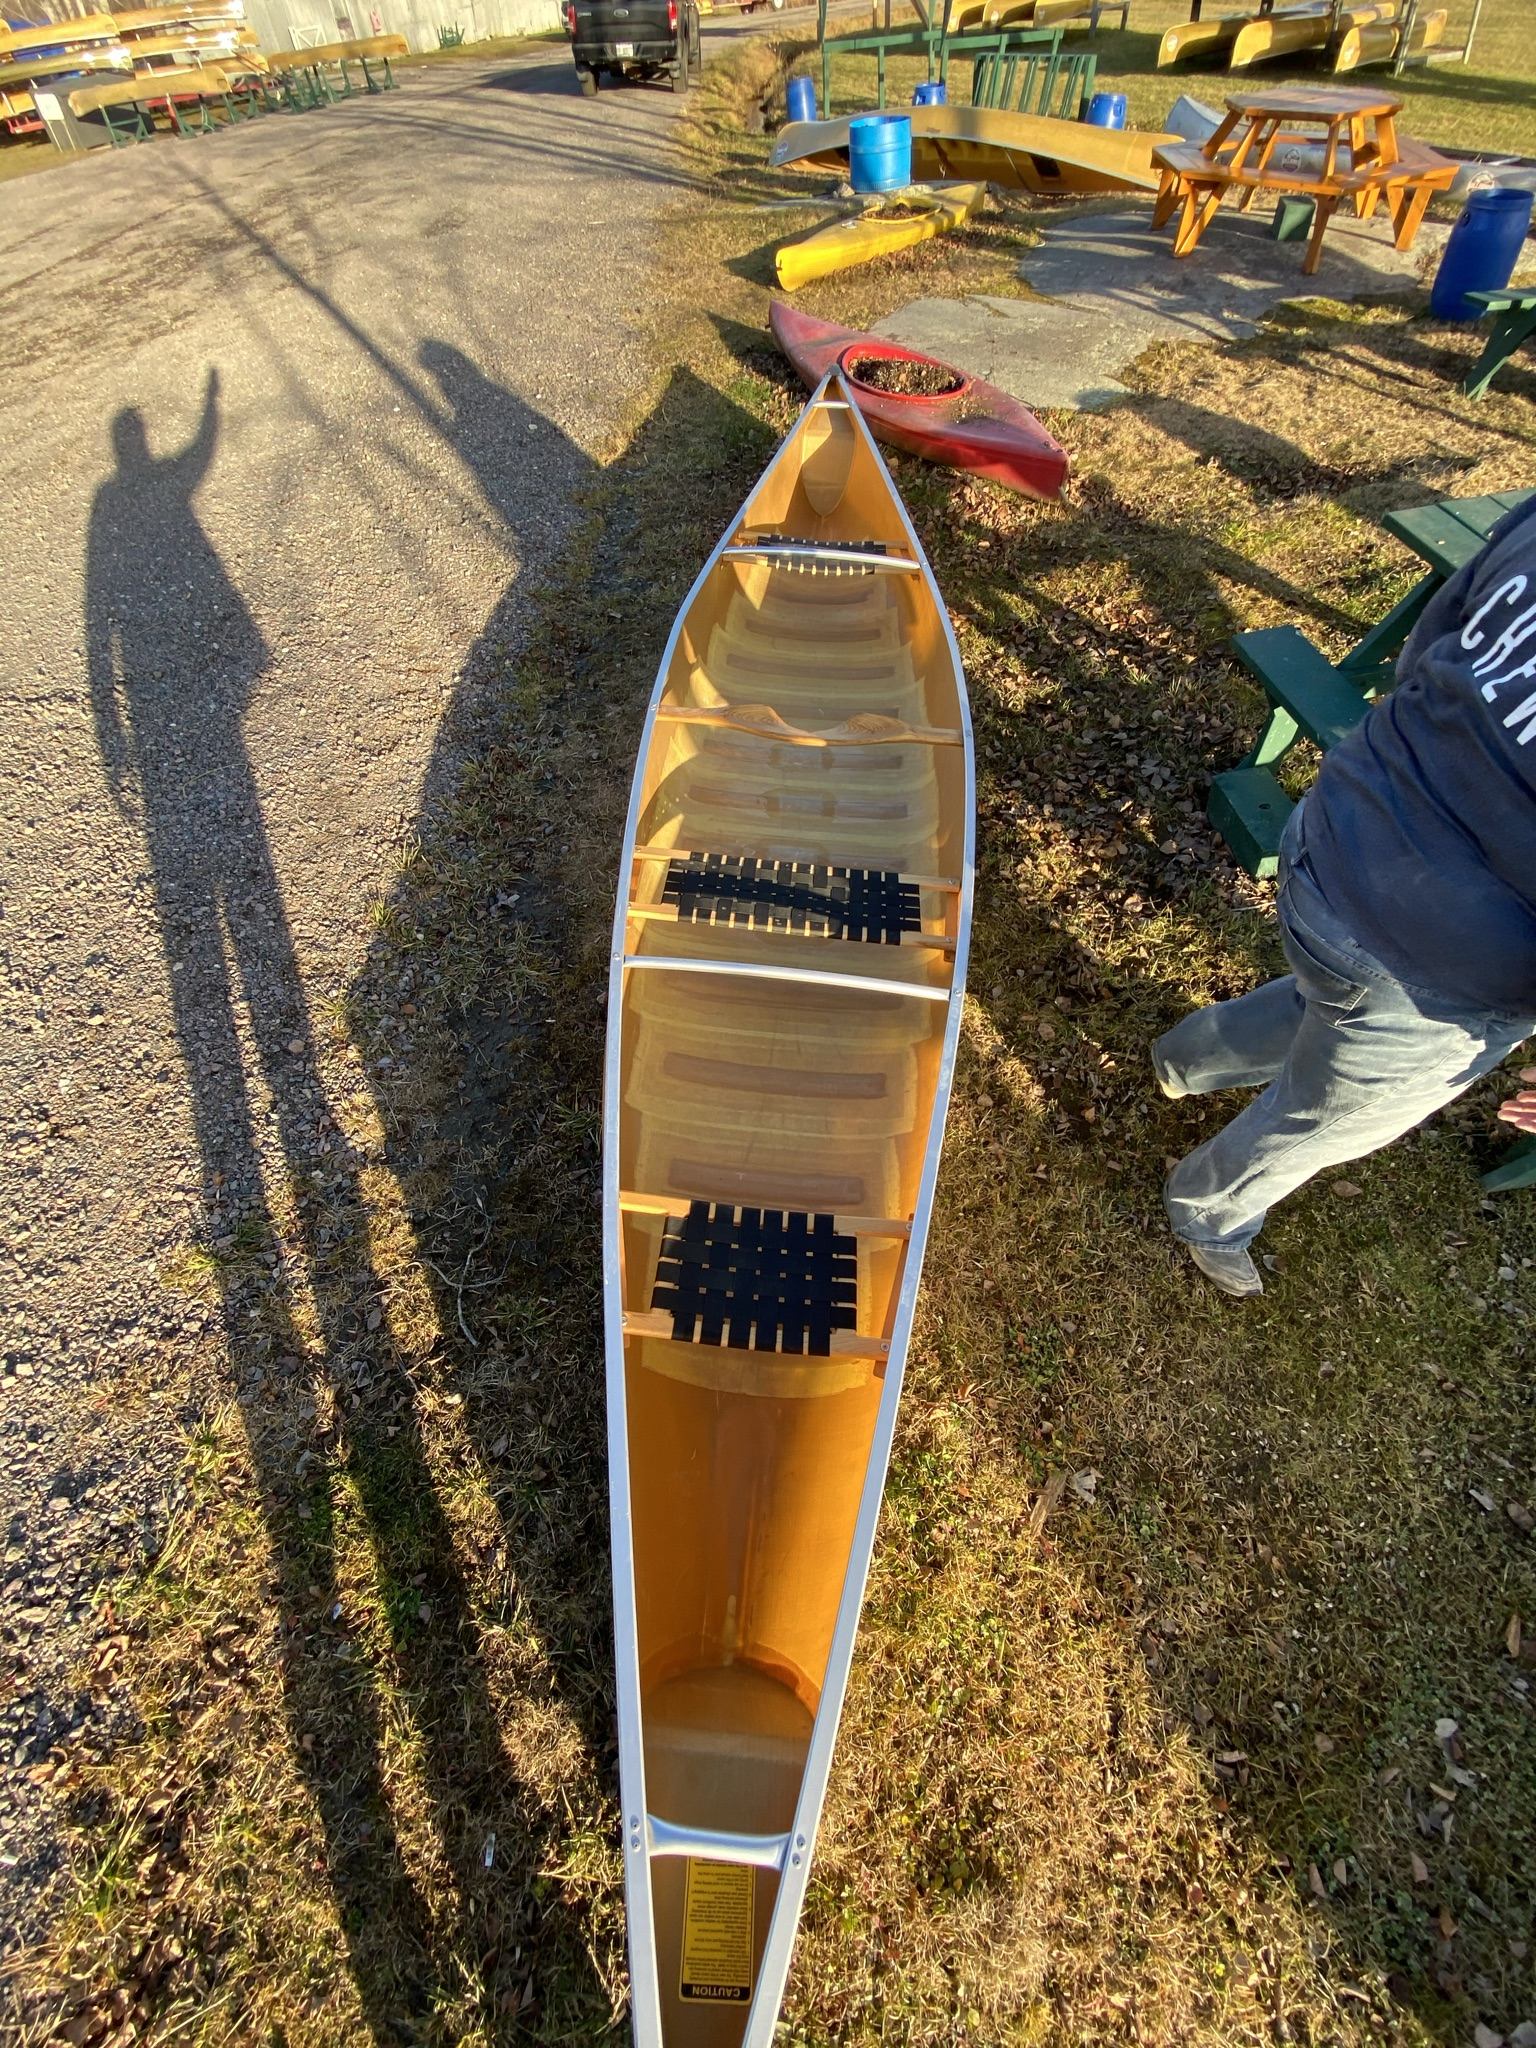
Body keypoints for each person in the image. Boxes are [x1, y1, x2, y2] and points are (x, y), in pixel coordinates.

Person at [1156, 496, 1536, 1297]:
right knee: (1329, 1112)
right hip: (1442, 963)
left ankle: (1184, 1061)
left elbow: (1441, 636)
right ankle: (1208, 1211)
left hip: (1335, 834)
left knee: (1332, 1000)